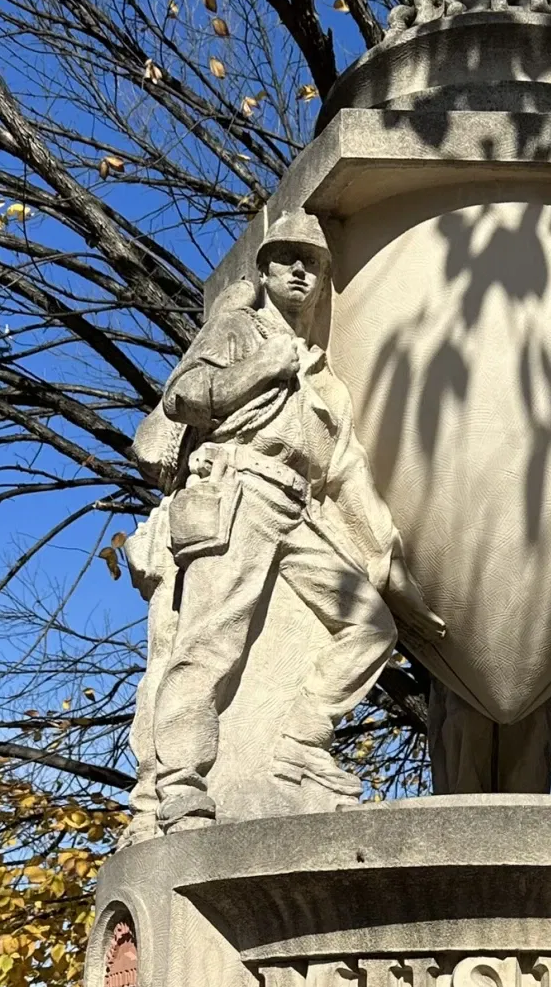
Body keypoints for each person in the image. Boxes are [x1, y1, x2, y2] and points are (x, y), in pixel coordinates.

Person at [148, 210, 444, 833]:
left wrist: (387, 556)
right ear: (266, 270)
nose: (302, 273)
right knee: (210, 643)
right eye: (288, 261)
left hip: (296, 507)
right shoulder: (240, 330)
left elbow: (347, 476)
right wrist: (265, 366)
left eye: (312, 263)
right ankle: (179, 783)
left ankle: (301, 742)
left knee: (369, 624)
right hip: (238, 488)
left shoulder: (325, 380)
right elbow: (183, 398)